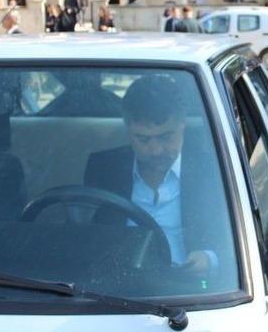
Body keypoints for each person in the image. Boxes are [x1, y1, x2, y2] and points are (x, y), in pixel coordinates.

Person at [83, 76, 218, 274]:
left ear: (183, 125)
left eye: (165, 137)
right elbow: (87, 237)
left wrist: (209, 258)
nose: (155, 150)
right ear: (128, 131)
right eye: (143, 139)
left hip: (190, 289)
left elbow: (241, 242)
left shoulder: (212, 170)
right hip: (118, 286)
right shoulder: (103, 168)